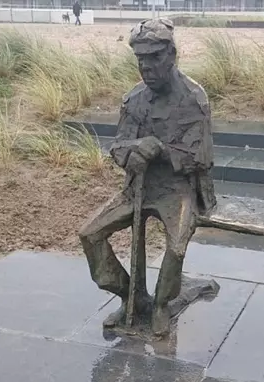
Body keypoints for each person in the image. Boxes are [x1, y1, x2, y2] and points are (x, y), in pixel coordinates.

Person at [78, 18, 216, 336]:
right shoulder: (134, 99)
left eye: (154, 57)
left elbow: (202, 158)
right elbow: (118, 148)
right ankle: (132, 297)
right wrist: (134, 150)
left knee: (177, 245)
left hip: (178, 190)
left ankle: (160, 306)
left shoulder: (194, 99)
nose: (146, 67)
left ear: (172, 55)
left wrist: (161, 152)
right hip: (137, 188)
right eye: (141, 59)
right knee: (90, 234)